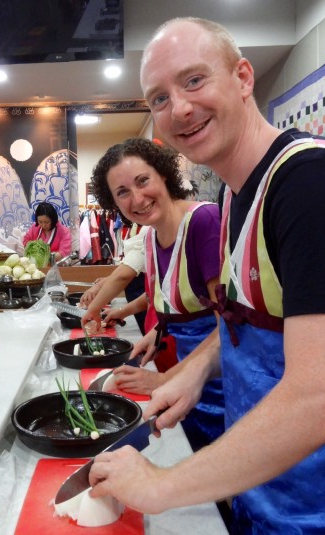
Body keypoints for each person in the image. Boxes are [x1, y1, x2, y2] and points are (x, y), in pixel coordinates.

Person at [88, 18, 325, 534]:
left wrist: (161, 484)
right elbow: (254, 325)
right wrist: (195, 372)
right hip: (261, 489)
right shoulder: (239, 194)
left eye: (194, 80)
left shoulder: (314, 186)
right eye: (158, 98)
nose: (179, 108)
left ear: (243, 77)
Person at [82, 137, 224, 451]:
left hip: (215, 383)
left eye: (143, 181)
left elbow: (228, 329)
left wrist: (165, 379)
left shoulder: (204, 221)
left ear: (163, 174)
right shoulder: (150, 237)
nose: (137, 199)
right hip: (181, 376)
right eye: (122, 193)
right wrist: (159, 331)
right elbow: (179, 301)